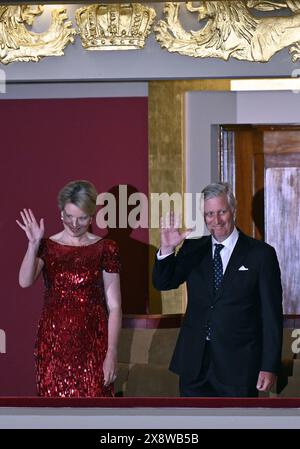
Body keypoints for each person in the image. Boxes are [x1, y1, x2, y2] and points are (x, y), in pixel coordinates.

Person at [152, 182, 283, 397]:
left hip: (239, 366)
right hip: (194, 365)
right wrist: (167, 249)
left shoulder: (261, 254)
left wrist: (269, 366)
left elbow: (271, 316)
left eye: (221, 212)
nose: (216, 220)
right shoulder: (193, 248)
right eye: (209, 214)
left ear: (233, 210)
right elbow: (163, 283)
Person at [16, 180, 122, 397]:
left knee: (95, 414)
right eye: (69, 217)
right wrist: (33, 244)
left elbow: (115, 306)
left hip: (93, 346)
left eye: (82, 218)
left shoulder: (106, 248)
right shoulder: (48, 246)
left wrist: (111, 353)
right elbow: (25, 281)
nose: (74, 224)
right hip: (53, 347)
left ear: (92, 216)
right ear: (60, 213)